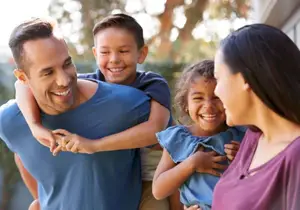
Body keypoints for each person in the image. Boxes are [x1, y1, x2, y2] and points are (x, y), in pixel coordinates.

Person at [14, 14, 181, 210]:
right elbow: (22, 84)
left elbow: (156, 129)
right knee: (23, 151)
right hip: (111, 173)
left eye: (124, 51)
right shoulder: (89, 84)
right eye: (105, 52)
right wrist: (35, 126)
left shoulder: (151, 83)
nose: (114, 59)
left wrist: (94, 145)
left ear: (141, 53)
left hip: (151, 172)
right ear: (95, 53)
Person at [210, 24, 300, 210]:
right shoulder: (253, 138)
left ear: (245, 79)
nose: (216, 91)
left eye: (218, 78)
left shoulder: (296, 156)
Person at [152, 60, 245, 210]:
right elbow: (158, 190)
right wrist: (192, 164)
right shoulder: (179, 139)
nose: (208, 106)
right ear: (186, 105)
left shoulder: (242, 133)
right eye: (198, 98)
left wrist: (244, 157)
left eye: (216, 97)